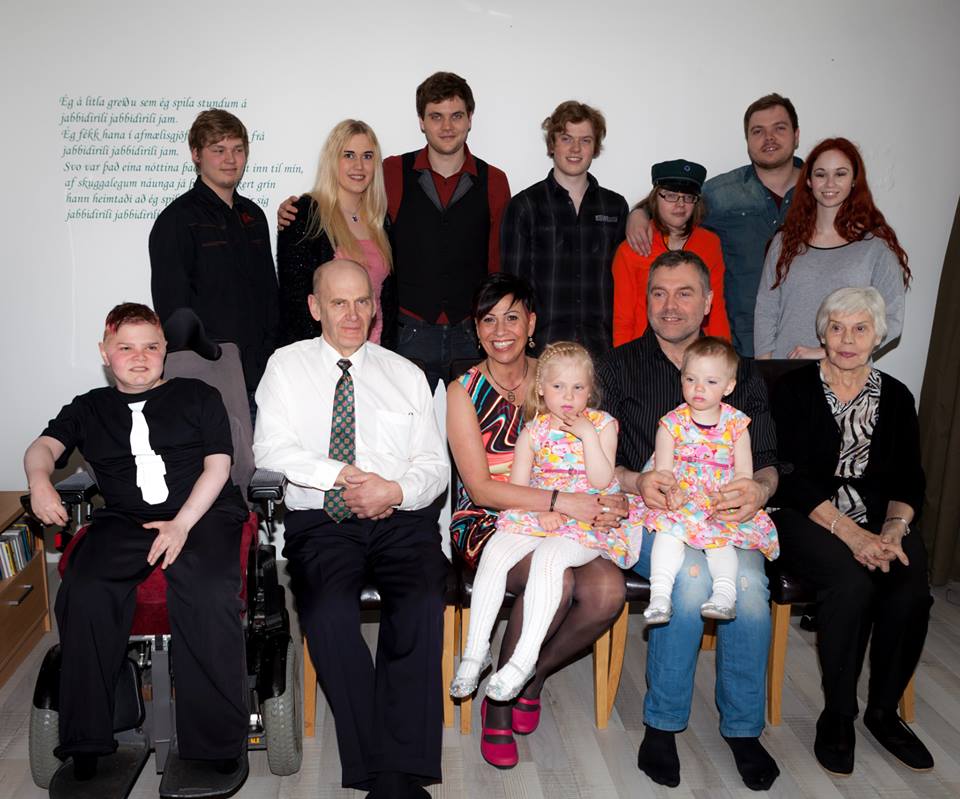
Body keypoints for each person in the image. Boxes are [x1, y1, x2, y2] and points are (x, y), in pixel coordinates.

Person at [24, 303, 250, 784]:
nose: (140, 356)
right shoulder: (89, 407)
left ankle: (214, 741)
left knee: (207, 590)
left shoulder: (198, 395)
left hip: (203, 510)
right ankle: (89, 738)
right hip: (126, 518)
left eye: (150, 346)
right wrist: (39, 481)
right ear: (104, 353)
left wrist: (180, 525)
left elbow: (219, 467)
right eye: (125, 347)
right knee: (84, 589)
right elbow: (42, 448)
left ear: (165, 350)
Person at [253, 259, 449, 798]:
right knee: (327, 614)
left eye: (363, 301)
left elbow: (434, 467)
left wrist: (394, 490)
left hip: (399, 518)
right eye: (338, 302)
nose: (352, 314)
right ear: (315, 307)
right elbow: (270, 450)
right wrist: (342, 475)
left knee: (421, 602)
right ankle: (387, 771)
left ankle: (392, 772)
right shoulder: (286, 367)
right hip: (322, 519)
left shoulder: (404, 373)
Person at [598, 250, 781, 791]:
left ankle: (743, 730)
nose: (670, 305)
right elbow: (595, 465)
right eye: (658, 293)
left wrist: (758, 488)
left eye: (684, 293)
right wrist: (635, 481)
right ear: (646, 300)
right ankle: (662, 724)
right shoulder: (617, 366)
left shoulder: (738, 372)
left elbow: (768, 458)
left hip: (725, 515)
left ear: (707, 302)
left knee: (748, 589)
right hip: (655, 513)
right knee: (689, 579)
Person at [447, 273, 628, 768]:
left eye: (512, 317)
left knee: (608, 591)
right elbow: (481, 489)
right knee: (560, 579)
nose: (500, 330)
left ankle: (528, 674)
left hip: (570, 514)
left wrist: (615, 496)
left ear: (532, 323)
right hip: (490, 518)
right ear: (476, 329)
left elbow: (598, 460)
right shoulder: (463, 391)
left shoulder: (561, 375)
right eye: (488, 320)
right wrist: (561, 502)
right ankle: (498, 707)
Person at [769, 287, 932, 776]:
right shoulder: (793, 390)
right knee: (851, 582)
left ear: (878, 336)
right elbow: (789, 475)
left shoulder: (897, 397)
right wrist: (851, 534)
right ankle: (838, 714)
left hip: (878, 517)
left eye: (860, 329)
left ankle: (883, 712)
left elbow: (910, 479)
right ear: (823, 333)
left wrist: (894, 531)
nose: (847, 339)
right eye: (837, 327)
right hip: (804, 514)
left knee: (910, 583)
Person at [278, 72, 511, 389]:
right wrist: (294, 208)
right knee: (397, 419)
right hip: (407, 334)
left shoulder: (494, 180)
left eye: (456, 116)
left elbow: (498, 265)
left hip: (470, 334)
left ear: (470, 119)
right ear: (421, 121)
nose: (446, 126)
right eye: (436, 116)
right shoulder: (391, 173)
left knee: (478, 420)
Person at [451, 341, 642, 704]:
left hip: (588, 520)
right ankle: (475, 653)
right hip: (543, 514)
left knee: (549, 560)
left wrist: (587, 436)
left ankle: (523, 661)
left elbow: (601, 480)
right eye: (558, 386)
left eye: (578, 387)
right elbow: (519, 487)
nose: (568, 396)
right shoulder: (534, 430)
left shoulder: (602, 425)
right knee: (496, 551)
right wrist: (541, 512)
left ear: (590, 389)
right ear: (541, 389)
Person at [626, 93, 802, 356]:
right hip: (745, 344)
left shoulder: (821, 189)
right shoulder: (722, 194)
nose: (769, 138)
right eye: (758, 131)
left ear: (796, 135)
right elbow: (677, 206)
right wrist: (639, 213)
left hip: (810, 340)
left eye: (779, 128)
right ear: (747, 140)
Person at [640, 336, 778, 625]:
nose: (699, 388)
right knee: (668, 535)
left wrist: (727, 498)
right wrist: (672, 493)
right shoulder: (671, 423)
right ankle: (659, 596)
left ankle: (724, 596)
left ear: (729, 386)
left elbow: (744, 474)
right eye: (691, 379)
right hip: (681, 499)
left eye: (711, 382)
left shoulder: (737, 424)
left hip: (718, 499)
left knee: (721, 542)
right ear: (681, 379)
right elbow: (663, 472)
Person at [149, 109, 279, 412]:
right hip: (208, 379)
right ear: (196, 154)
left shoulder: (254, 215)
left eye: (237, 149)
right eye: (218, 150)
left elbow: (270, 296)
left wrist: (272, 356)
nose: (230, 159)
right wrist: (212, 360)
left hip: (263, 375)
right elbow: (174, 312)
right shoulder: (176, 220)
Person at [754, 137, 910, 359]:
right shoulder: (784, 242)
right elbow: (765, 311)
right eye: (821, 174)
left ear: (854, 180)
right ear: (809, 181)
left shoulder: (875, 248)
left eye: (840, 174)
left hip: (845, 374)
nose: (830, 183)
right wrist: (766, 368)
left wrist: (828, 352)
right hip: (785, 371)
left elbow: (892, 320)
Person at [501, 100, 627, 358]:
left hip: (602, 350)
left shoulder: (615, 207)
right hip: (542, 350)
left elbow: (624, 283)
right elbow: (513, 289)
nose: (575, 149)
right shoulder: (525, 206)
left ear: (595, 147)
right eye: (566, 138)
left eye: (585, 140)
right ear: (552, 144)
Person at [276, 119, 394, 346]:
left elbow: (387, 302)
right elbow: (295, 303)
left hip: (374, 355)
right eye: (348, 155)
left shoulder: (381, 220)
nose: (359, 165)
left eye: (367, 156)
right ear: (332, 160)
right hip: (323, 356)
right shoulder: (304, 215)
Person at [612, 160, 729, 346]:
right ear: (655, 198)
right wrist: (624, 360)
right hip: (644, 351)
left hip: (696, 352)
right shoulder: (632, 248)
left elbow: (716, 310)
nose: (680, 204)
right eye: (671, 196)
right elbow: (623, 318)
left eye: (688, 197)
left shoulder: (709, 243)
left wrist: (722, 354)